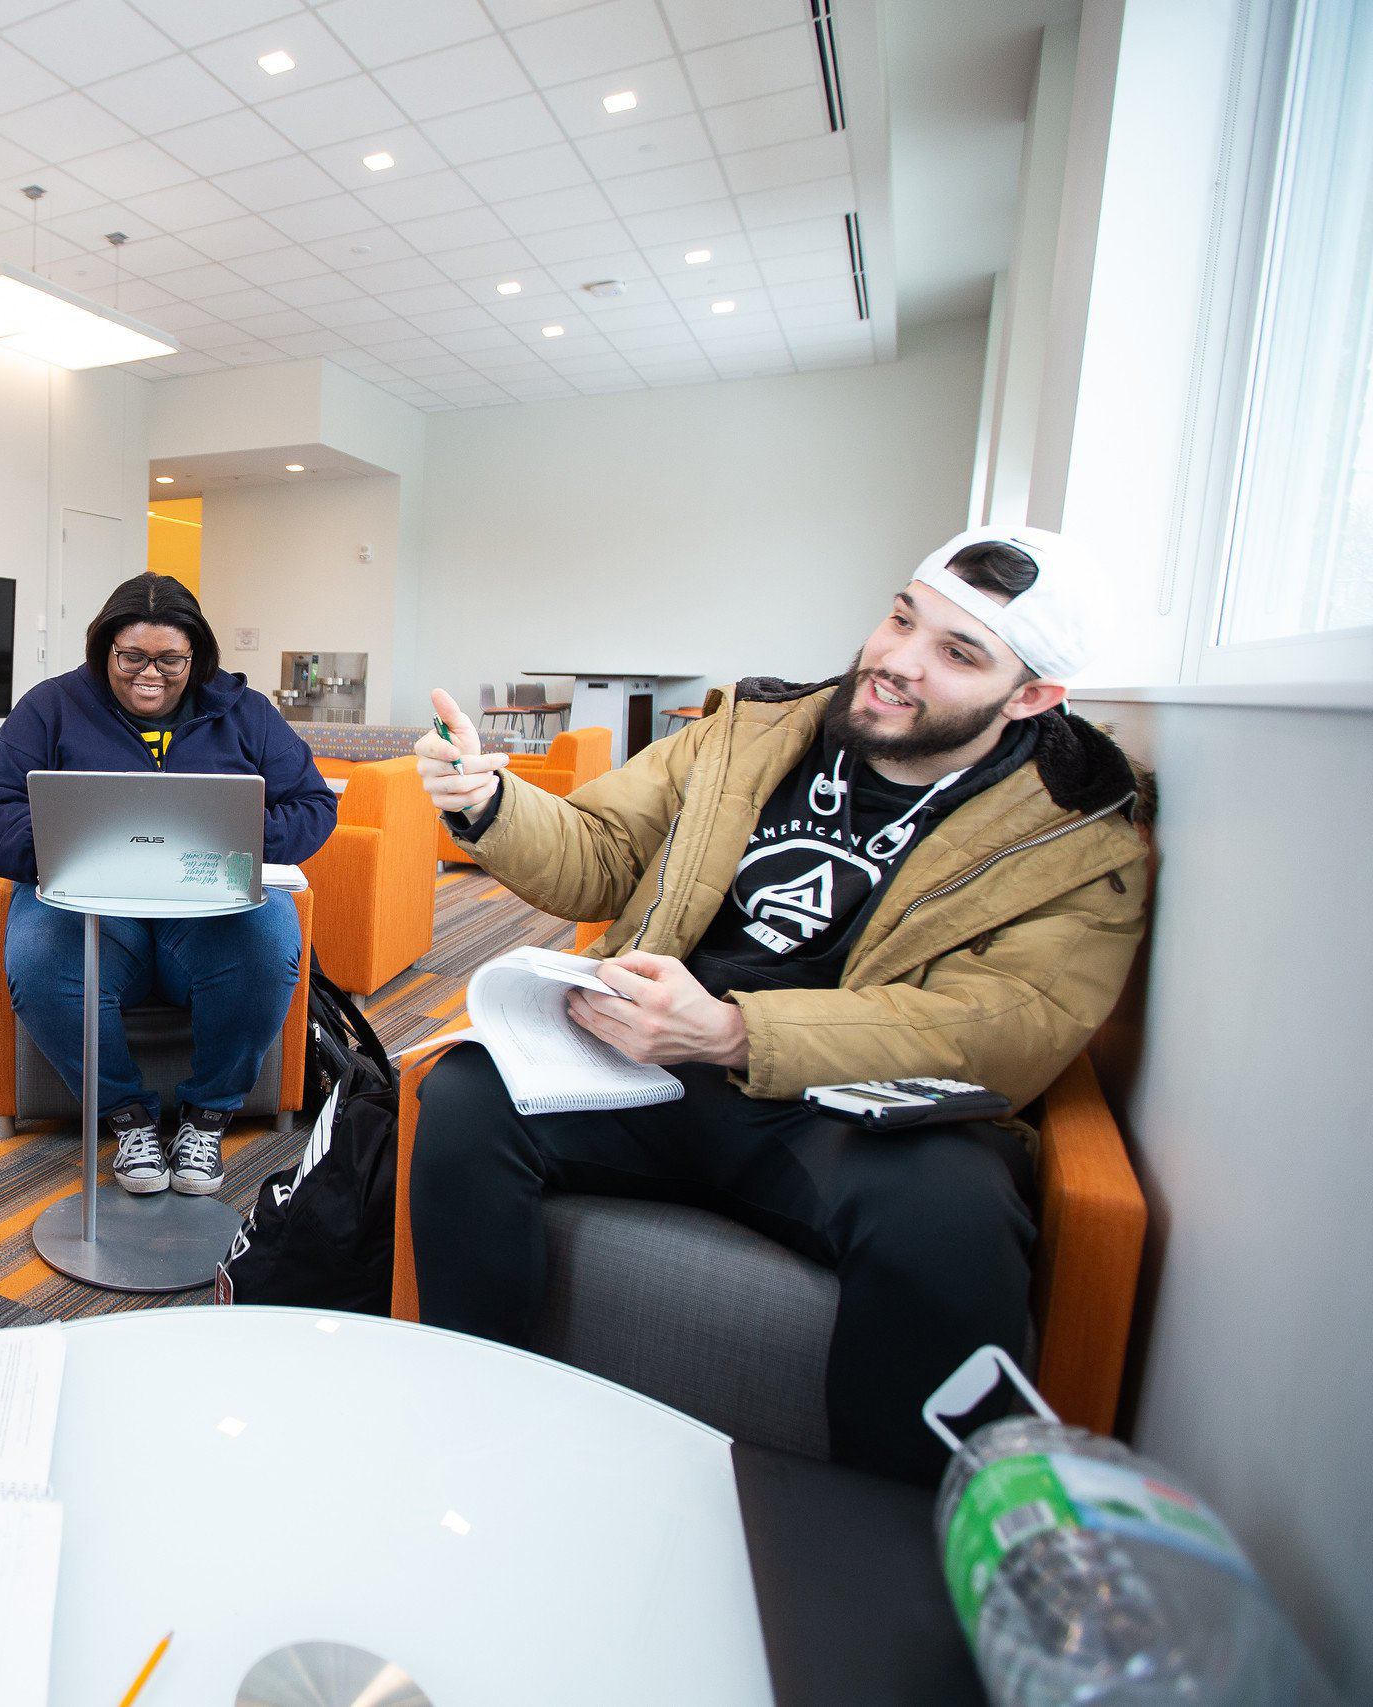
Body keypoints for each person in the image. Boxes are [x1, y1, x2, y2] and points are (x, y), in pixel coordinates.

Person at [408, 526, 1152, 1482]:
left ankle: (876, 1559)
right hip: (651, 1059)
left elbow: (1002, 1024)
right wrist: (491, 802)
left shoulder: (1076, 831)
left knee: (952, 1213)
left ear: (1033, 697)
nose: (895, 662)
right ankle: (476, 1429)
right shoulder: (749, 733)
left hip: (841, 1103)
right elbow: (601, 852)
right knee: (469, 1091)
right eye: (901, 618)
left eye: (956, 653)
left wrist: (733, 1030)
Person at [0, 573, 336, 1195]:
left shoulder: (244, 712)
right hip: (94, 911)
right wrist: (63, 847)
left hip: (209, 909)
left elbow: (313, 804)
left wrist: (236, 841)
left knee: (272, 940)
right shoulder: (52, 706)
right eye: (132, 657)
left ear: (198, 657)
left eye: (170, 659)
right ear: (105, 650)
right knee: (35, 954)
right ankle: (127, 1116)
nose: (150, 674)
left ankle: (207, 1116)